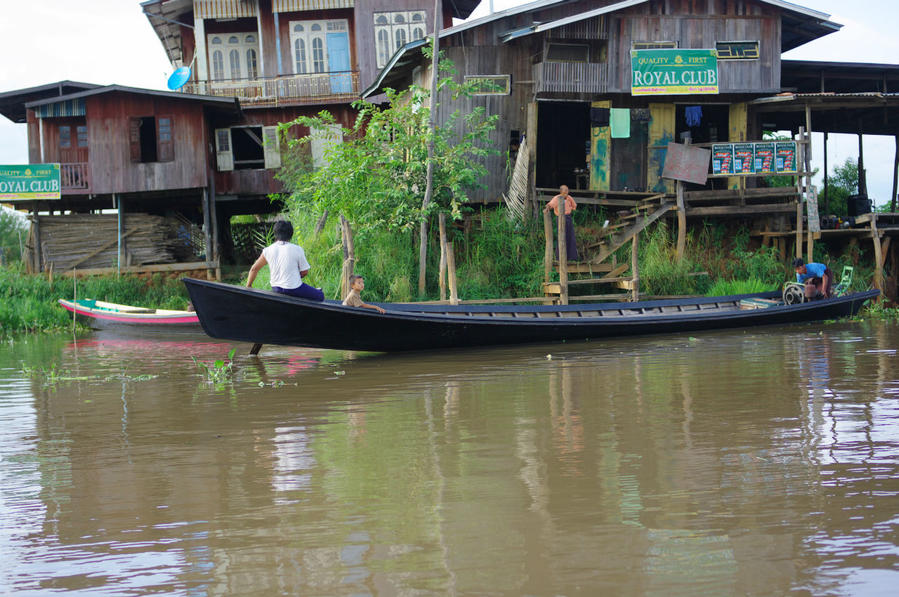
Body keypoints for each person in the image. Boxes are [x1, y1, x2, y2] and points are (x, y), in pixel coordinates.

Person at [246, 220, 324, 301]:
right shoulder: (297, 249)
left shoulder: (268, 250)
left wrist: (248, 286)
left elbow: (254, 269)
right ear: (291, 234)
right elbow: (305, 272)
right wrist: (294, 276)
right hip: (294, 288)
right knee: (320, 295)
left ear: (275, 234)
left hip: (276, 289)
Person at [543, 184, 578, 261]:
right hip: (560, 218)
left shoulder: (569, 198)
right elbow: (550, 205)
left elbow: (574, 206)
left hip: (568, 218)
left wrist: (570, 209)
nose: (566, 192)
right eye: (565, 190)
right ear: (561, 191)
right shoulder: (557, 198)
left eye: (567, 190)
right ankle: (560, 258)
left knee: (570, 236)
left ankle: (571, 257)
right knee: (561, 237)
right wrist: (547, 209)